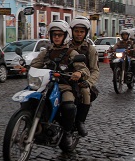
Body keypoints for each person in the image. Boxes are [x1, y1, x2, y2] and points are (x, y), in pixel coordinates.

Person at [28, 20, 90, 148]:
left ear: (65, 36)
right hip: (44, 84)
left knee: (68, 106)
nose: (56, 37)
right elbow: (35, 63)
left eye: (59, 35)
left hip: (64, 86)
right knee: (29, 99)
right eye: (54, 34)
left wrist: (79, 73)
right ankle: (28, 122)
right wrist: (24, 66)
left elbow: (84, 69)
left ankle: (67, 132)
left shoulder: (71, 53)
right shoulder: (46, 52)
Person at [68, 16, 99, 137]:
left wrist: (88, 82)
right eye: (76, 31)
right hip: (65, 78)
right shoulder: (66, 46)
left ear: (85, 33)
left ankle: (80, 121)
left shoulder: (90, 49)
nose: (78, 34)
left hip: (82, 80)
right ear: (72, 32)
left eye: (81, 32)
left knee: (85, 92)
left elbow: (95, 70)